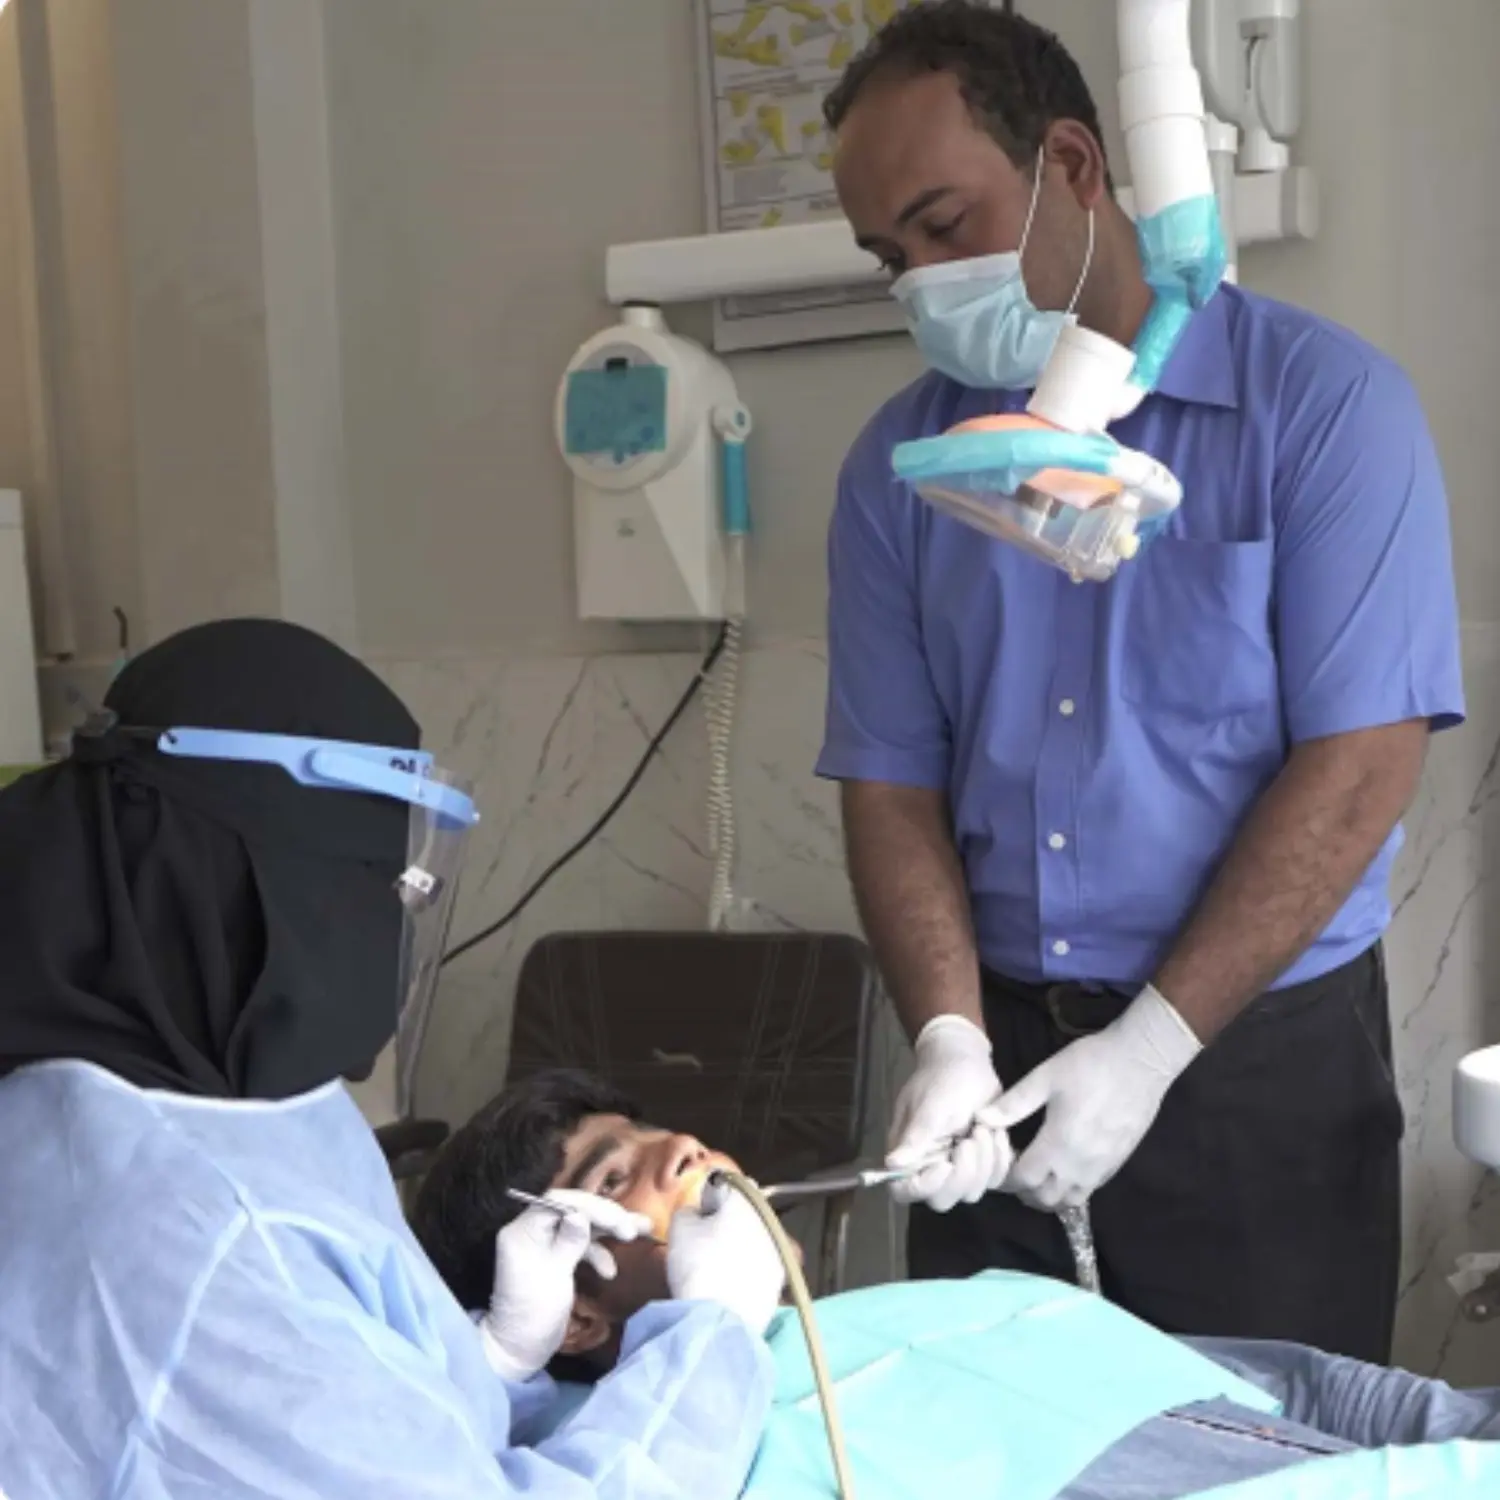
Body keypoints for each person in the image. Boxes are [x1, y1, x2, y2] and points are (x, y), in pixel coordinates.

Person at [814, 0, 1465, 1361]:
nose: (921, 283)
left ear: (1072, 164)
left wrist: (1155, 1046)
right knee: (997, 1438)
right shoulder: (902, 471)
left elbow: (1362, 764)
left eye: (943, 225)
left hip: (1256, 1069)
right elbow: (889, 784)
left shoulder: (1325, 412)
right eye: (889, 258)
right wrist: (947, 1039)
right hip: (1001, 1064)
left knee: (1265, 1447)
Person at [0, 619, 784, 1500]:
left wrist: (492, 1363)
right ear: (240, 879)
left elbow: (363, 1423)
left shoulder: (227, 1099)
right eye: (370, 879)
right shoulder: (194, 1244)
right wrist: (709, 1343)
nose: (384, 922)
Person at [411, 1070, 1500, 1500]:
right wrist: (505, 1363)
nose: (682, 1148)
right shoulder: (671, 1462)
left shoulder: (956, 1298)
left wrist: (1462, 1429)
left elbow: (1297, 1392)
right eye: (616, 1176)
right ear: (573, 1308)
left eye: (656, 1130)